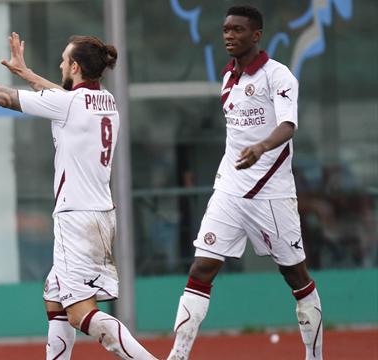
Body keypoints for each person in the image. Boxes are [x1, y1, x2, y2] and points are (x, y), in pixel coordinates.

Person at [0, 33, 158, 360]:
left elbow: (2, 97)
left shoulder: (69, 104)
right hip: (97, 213)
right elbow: (60, 96)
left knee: (78, 312)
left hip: (77, 219)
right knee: (55, 298)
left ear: (75, 66)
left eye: (64, 60)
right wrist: (25, 72)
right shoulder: (105, 100)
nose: (60, 64)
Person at [166, 6, 323, 360]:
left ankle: (315, 356)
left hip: (273, 194)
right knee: (201, 268)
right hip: (230, 190)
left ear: (256, 35)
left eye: (237, 30)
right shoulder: (227, 78)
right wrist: (240, 159)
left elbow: (288, 125)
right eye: (225, 30)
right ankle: (178, 355)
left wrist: (262, 147)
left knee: (295, 277)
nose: (228, 36)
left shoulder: (278, 76)